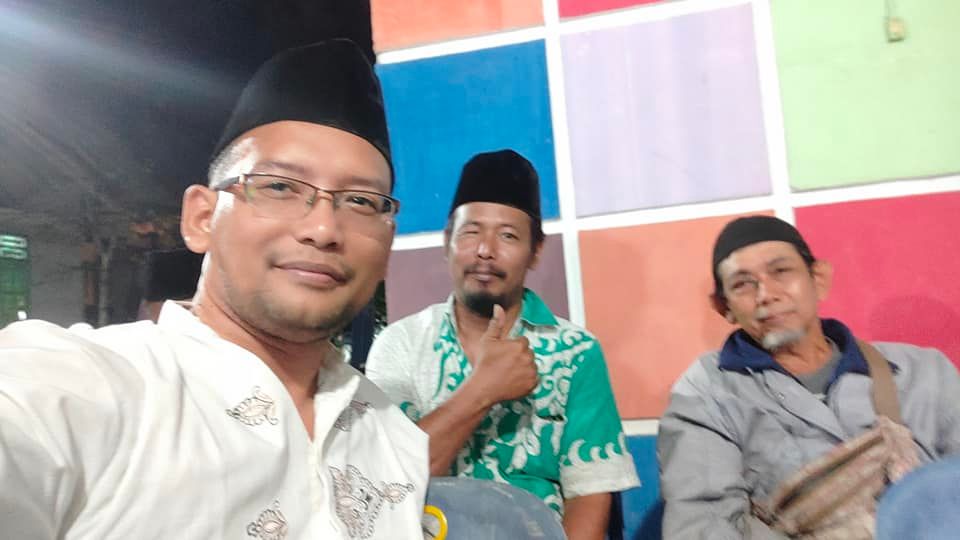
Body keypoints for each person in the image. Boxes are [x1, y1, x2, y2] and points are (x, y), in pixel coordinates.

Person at [0, 40, 428, 539]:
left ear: (387, 245)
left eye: (360, 201)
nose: (323, 229)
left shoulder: (394, 436)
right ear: (201, 218)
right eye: (279, 187)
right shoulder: (85, 387)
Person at [367, 150, 639, 539]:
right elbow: (387, 484)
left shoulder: (576, 352)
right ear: (447, 241)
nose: (485, 251)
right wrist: (483, 390)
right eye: (471, 232)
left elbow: (589, 496)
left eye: (508, 235)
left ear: (536, 252)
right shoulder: (401, 344)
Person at [657, 215, 960, 539]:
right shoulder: (706, 395)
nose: (766, 294)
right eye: (742, 284)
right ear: (724, 307)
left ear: (818, 279)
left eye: (781, 271)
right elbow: (702, 527)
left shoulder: (924, 371)